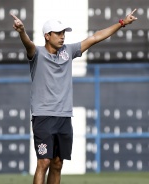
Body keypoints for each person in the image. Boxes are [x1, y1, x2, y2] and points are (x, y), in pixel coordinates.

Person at [11, 9, 137, 184]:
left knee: (57, 163)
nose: (62, 37)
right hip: (43, 116)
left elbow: (95, 37)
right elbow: (28, 44)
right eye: (58, 33)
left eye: (63, 33)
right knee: (44, 162)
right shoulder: (37, 54)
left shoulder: (68, 51)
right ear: (47, 36)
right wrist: (22, 31)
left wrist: (122, 23)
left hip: (64, 117)